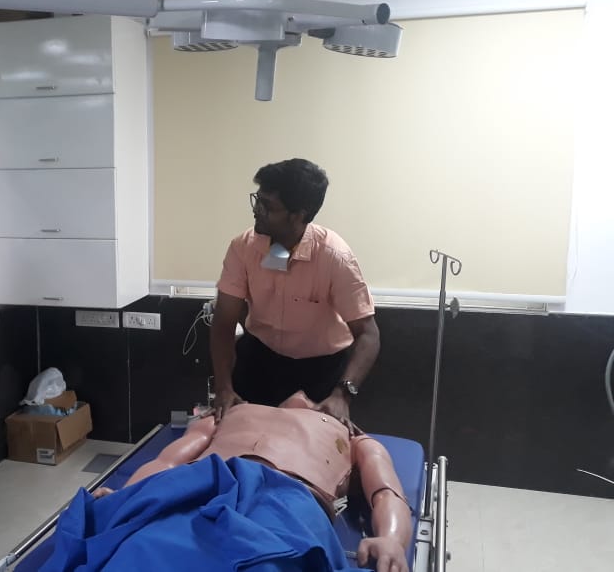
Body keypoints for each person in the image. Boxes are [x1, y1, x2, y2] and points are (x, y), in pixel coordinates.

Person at [87, 392, 411, 572]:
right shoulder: (229, 413)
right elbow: (169, 462)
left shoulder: (348, 433)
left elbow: (386, 492)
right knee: (144, 549)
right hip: (204, 483)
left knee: (266, 562)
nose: (298, 393)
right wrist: (128, 496)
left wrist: (392, 539)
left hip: (287, 496)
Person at [211, 159, 380, 425]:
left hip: (320, 371)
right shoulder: (242, 248)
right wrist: (223, 388)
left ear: (299, 215)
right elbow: (223, 321)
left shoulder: (334, 256)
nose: (257, 210)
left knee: (307, 445)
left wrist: (343, 395)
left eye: (268, 206)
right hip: (259, 360)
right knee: (243, 438)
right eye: (257, 200)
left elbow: (368, 335)